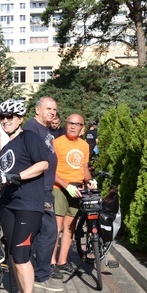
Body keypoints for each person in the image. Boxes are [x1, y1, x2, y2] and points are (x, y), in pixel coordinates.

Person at [0, 99, 50, 293]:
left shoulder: (29, 137)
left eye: (10, 117)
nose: (6, 120)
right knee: (11, 252)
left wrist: (19, 176)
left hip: (28, 205)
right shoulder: (7, 147)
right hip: (9, 205)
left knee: (21, 254)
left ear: (19, 119)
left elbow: (43, 164)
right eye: (2, 117)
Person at [23, 96, 62, 292]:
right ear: (38, 110)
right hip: (37, 189)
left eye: (54, 109)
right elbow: (30, 157)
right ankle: (40, 273)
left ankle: (35, 270)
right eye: (48, 108)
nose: (52, 112)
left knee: (43, 231)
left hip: (46, 188)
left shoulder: (46, 130)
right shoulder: (32, 128)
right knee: (48, 231)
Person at [52, 114, 95, 273]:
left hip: (77, 191)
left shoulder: (84, 146)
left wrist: (90, 181)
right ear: (66, 124)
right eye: (70, 123)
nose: (73, 126)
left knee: (70, 227)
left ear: (82, 128)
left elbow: (84, 169)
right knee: (57, 228)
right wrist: (65, 185)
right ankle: (51, 262)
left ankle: (63, 261)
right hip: (59, 189)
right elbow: (51, 171)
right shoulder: (57, 143)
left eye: (77, 124)